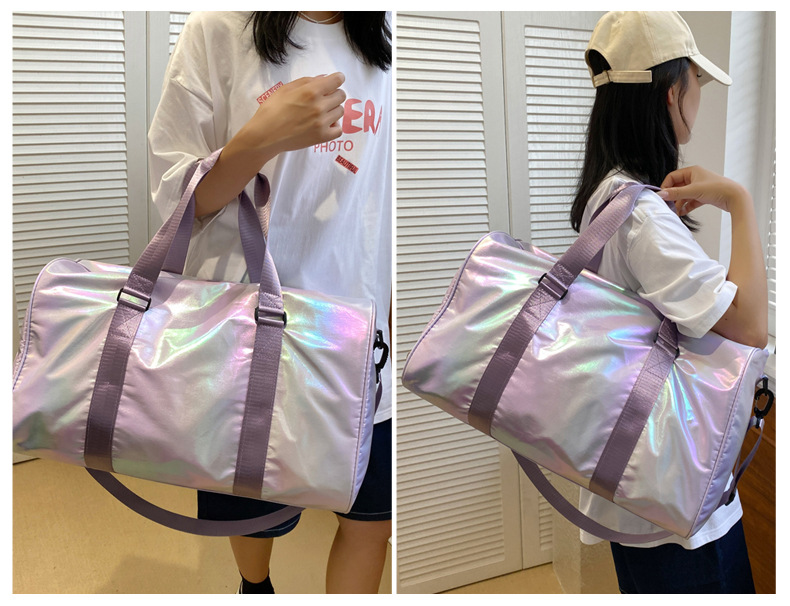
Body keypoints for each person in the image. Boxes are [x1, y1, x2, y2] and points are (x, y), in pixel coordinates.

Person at [147, 11, 392, 594]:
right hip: (244, 329)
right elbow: (178, 200)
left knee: (371, 519)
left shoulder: (390, 34)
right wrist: (259, 139)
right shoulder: (219, 26)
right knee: (254, 511)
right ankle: (255, 587)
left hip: (361, 333)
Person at [570, 11, 767, 593]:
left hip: (636, 474)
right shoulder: (641, 215)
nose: (698, 96)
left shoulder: (607, 194)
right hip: (672, 491)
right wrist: (739, 202)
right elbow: (751, 327)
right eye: (695, 81)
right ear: (671, 93)